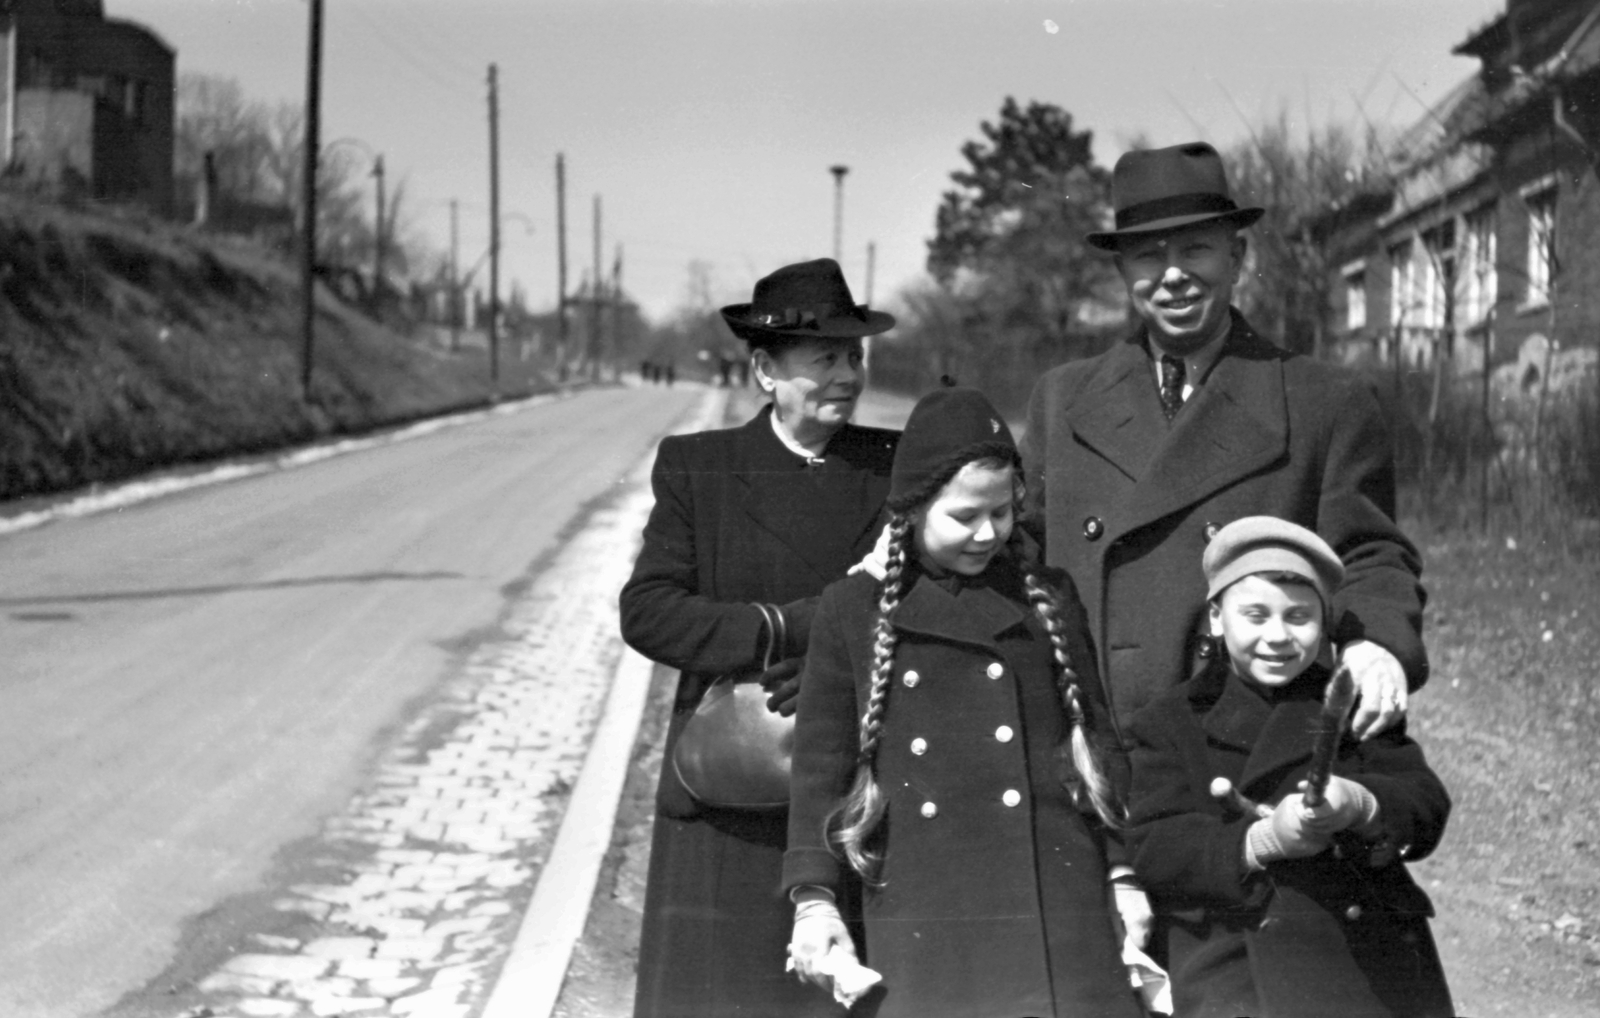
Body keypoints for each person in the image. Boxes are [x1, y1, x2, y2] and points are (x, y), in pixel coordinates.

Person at [1019, 141, 1427, 739]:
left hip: (1241, 743)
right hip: (1093, 740)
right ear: (1121, 272)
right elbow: (1017, 553)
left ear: (1236, 257)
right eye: (1148, 256)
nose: (1173, 275)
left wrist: (1375, 643)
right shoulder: (1062, 399)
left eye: (1196, 249)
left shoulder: (1324, 402)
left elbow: (1370, 554)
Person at [784, 387, 1147, 1018]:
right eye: (964, 516)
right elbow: (821, 770)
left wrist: (1121, 872)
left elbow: (1098, 744)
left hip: (1057, 902)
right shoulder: (853, 610)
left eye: (1003, 513)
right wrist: (813, 899)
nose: (988, 533)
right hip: (926, 902)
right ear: (913, 509)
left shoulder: (1047, 597)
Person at [620, 258, 898, 1018]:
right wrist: (784, 629)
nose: (847, 375)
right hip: (727, 795)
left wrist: (834, 658)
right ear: (765, 371)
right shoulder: (701, 469)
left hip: (847, 802)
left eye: (854, 355)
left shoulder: (893, 469)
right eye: (825, 358)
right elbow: (648, 610)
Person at [1123, 516, 1453, 1017]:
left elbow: (1425, 805)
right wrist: (1260, 841)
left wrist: (1359, 805)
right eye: (1255, 615)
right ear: (1216, 617)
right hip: (1233, 964)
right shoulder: (1170, 721)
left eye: (1299, 617)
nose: (1277, 636)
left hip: (1365, 960)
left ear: (1324, 622)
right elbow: (1154, 847)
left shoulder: (1348, 702)